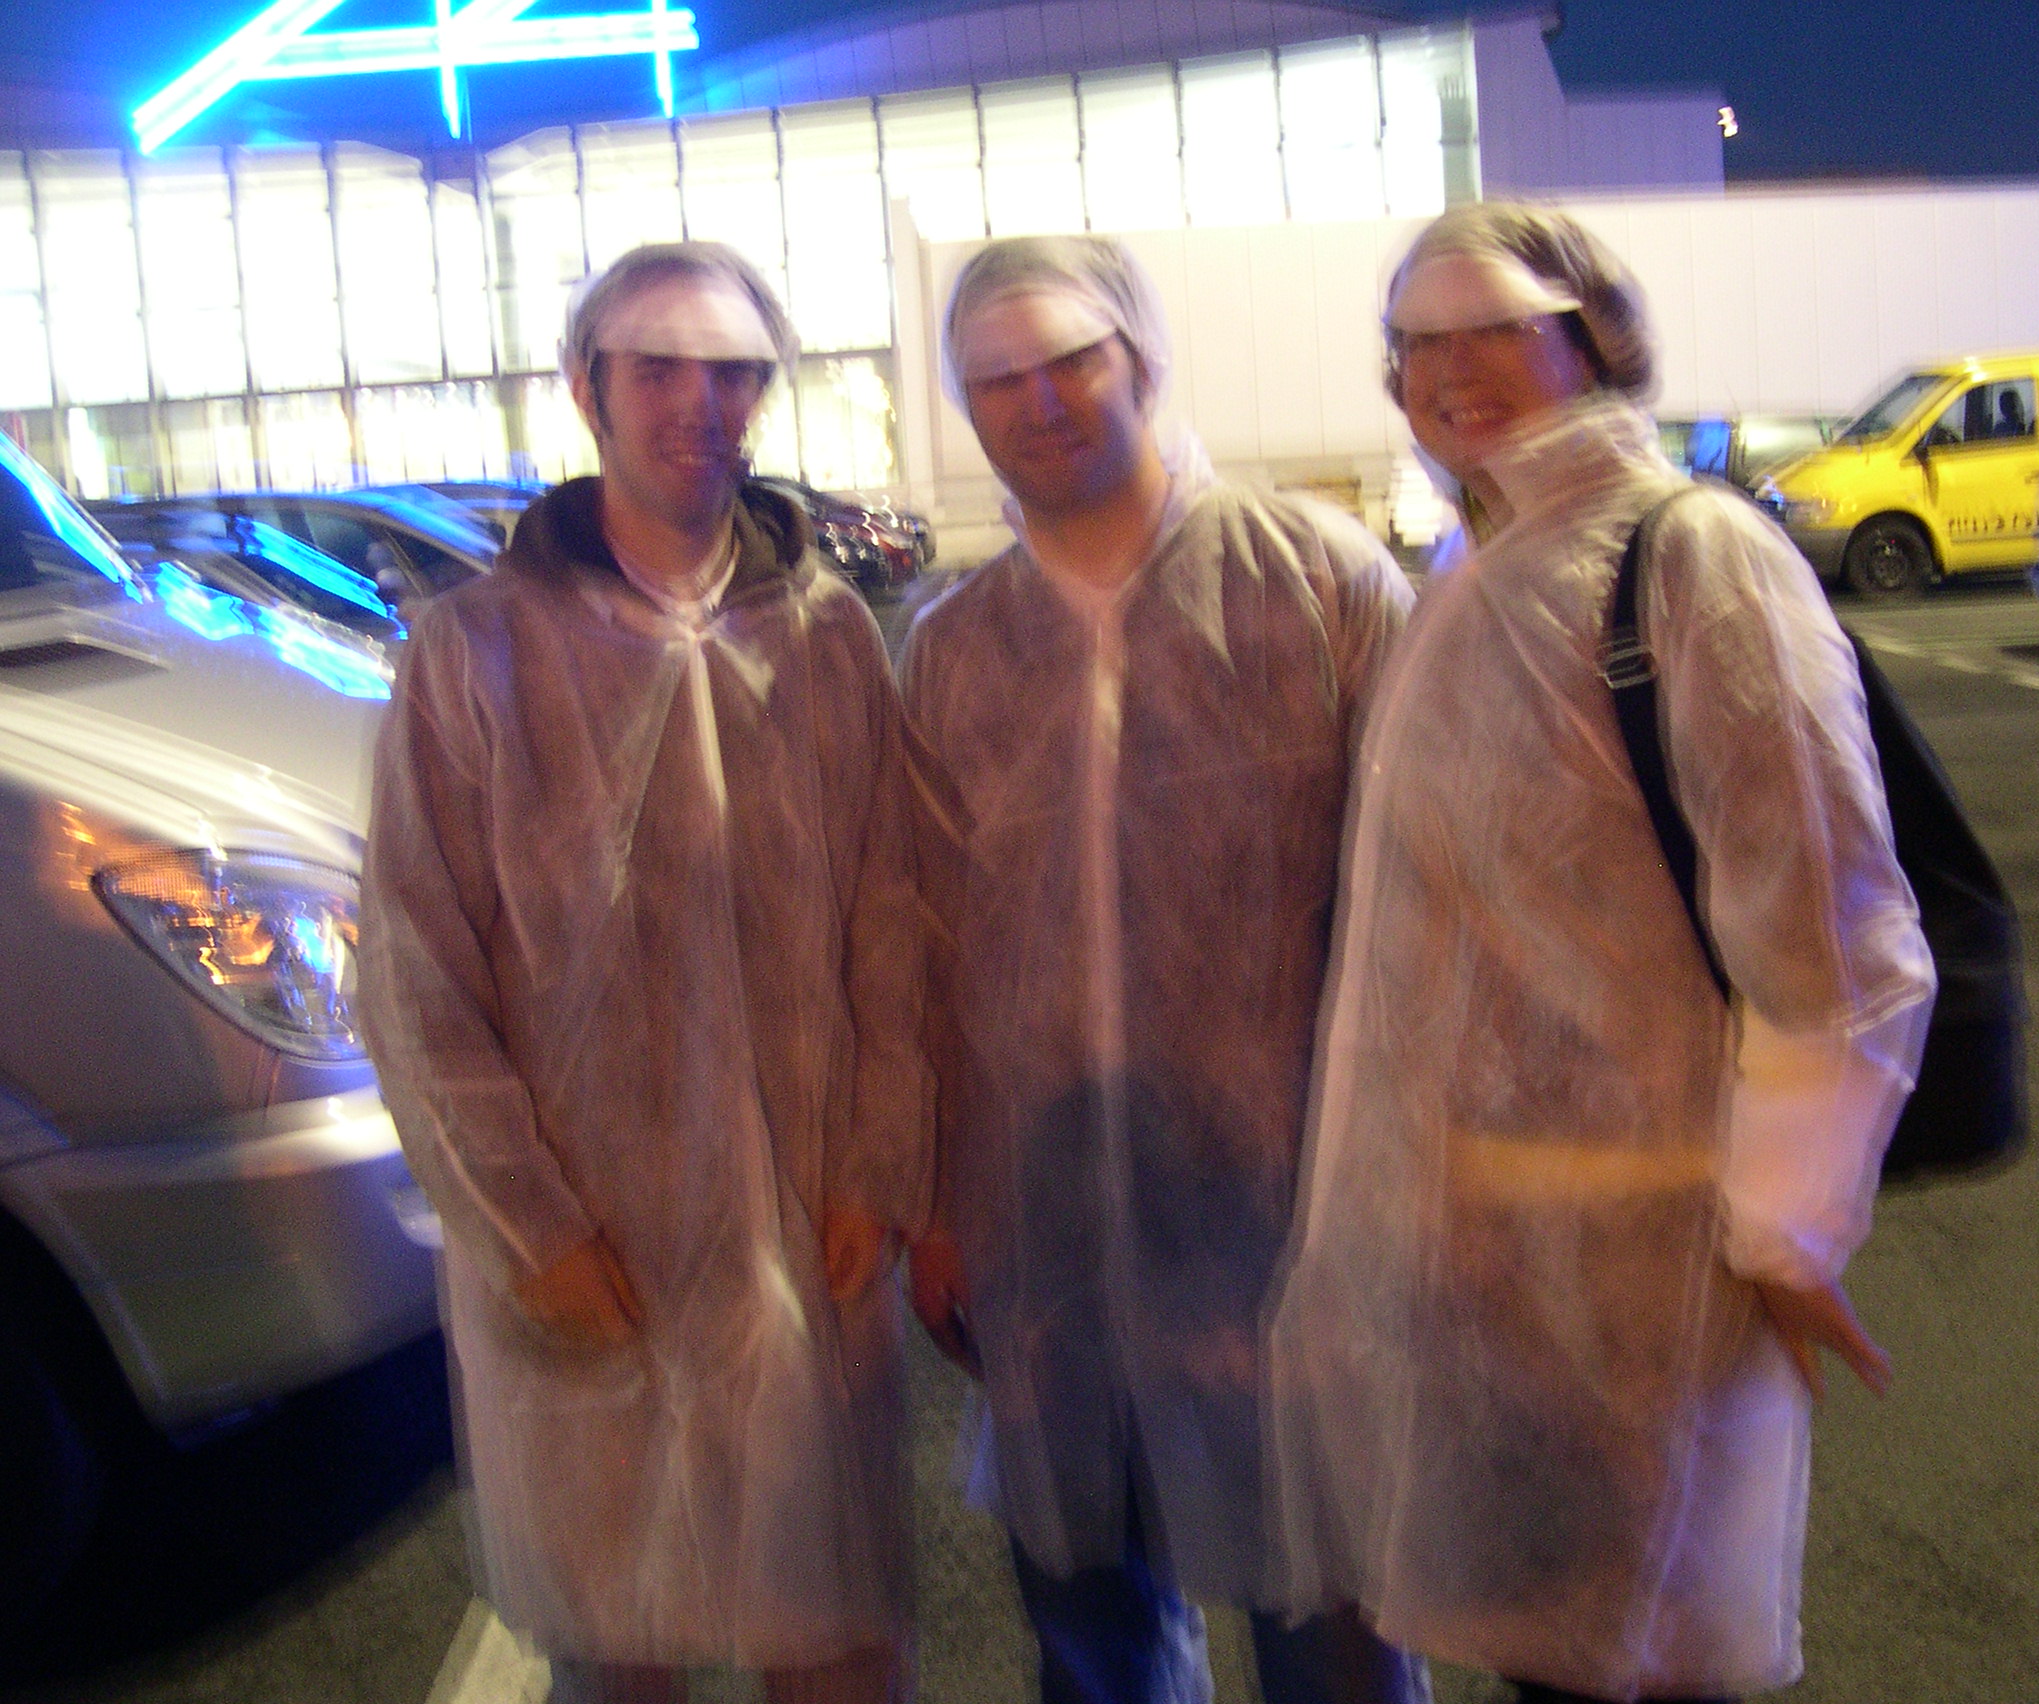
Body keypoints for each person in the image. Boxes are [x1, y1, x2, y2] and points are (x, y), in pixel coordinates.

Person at [1266, 202, 1937, 1704]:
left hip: (1646, 1266)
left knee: (1643, 1667)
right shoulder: (1477, 566)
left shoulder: (1689, 555)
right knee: (1552, 1666)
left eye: (1497, 329)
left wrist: (1788, 1229)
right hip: (1490, 1270)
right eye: (1417, 343)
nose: (1451, 370)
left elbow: (1832, 925)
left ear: (1595, 339)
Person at [360, 242, 927, 1704]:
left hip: (810, 1223)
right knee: (620, 1639)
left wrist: (880, 1160)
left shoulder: (825, 637)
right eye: (658, 368)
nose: (699, 402)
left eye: (732, 372)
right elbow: (419, 973)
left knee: (839, 1632)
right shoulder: (477, 653)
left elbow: (889, 921)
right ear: (586, 386)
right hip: (589, 1232)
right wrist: (525, 1226)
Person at [899, 234, 1427, 1704]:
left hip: (1292, 1213)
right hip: (1043, 1232)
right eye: (996, 379)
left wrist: (1395, 1193)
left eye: (1072, 359)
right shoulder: (954, 650)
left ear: (1141, 356)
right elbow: (923, 952)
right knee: (1097, 1632)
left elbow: (1420, 913)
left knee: (1333, 1627)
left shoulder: (1315, 583)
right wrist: (936, 1203)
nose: (1039, 401)